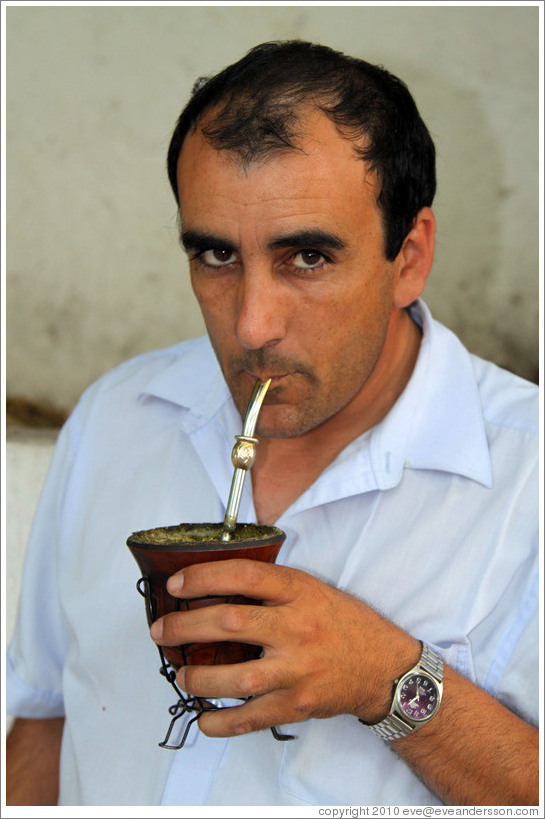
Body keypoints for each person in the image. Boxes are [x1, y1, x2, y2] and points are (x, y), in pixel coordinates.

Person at [6, 40, 538, 807]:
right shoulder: (117, 415)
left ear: (410, 256)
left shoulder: (525, 475)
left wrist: (384, 677)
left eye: (308, 258)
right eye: (216, 253)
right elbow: (47, 718)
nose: (252, 324)